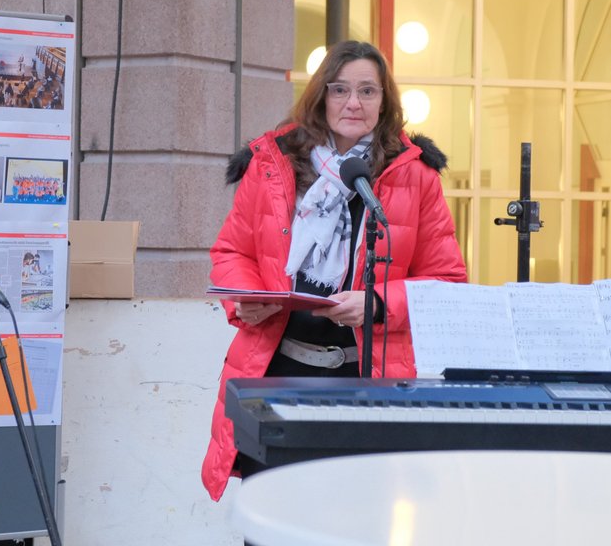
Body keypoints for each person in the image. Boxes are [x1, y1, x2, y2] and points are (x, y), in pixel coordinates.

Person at [200, 40, 467, 503]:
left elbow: (447, 281)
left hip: (367, 380)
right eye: (340, 89)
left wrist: (378, 304)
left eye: (367, 91)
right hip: (276, 372)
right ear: (321, 95)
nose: (353, 103)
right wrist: (248, 298)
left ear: (384, 101)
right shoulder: (273, 164)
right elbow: (232, 251)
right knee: (272, 517)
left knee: (355, 518)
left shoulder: (414, 175)